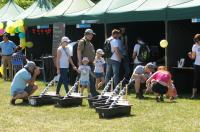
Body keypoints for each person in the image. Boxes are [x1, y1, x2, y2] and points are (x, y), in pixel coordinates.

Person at [77, 29, 99, 97]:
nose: (92, 36)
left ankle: (75, 91)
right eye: (91, 34)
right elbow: (79, 51)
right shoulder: (82, 41)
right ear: (86, 34)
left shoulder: (89, 42)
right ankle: (94, 93)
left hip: (90, 63)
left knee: (81, 78)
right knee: (90, 78)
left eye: (92, 35)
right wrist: (80, 63)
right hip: (85, 64)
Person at [188, 34, 200, 99]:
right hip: (197, 65)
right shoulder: (194, 46)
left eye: (197, 40)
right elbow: (193, 57)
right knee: (196, 80)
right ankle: (193, 95)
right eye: (195, 40)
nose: (196, 42)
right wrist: (190, 55)